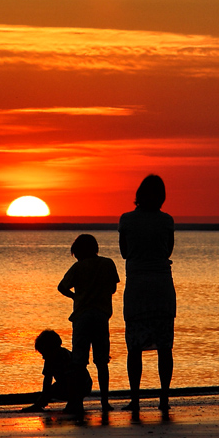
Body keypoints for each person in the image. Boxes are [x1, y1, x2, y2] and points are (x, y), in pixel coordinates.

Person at [118, 174, 176, 414]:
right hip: (162, 285)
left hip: (138, 286)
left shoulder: (127, 220)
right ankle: (163, 397)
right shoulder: (167, 221)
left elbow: (124, 252)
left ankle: (135, 398)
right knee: (165, 346)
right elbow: (168, 250)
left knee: (134, 346)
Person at [57, 234, 121, 413]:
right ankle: (105, 402)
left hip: (82, 317)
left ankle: (76, 402)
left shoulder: (78, 267)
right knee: (102, 362)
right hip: (101, 317)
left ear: (78, 252)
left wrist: (75, 296)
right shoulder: (108, 263)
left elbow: (62, 287)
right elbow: (113, 288)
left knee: (78, 362)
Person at [21, 329, 93, 414]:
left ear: (51, 348)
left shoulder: (65, 357)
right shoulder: (49, 359)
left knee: (71, 382)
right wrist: (44, 397)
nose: (43, 357)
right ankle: (41, 404)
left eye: (44, 353)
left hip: (83, 385)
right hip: (68, 384)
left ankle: (74, 403)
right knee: (52, 388)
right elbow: (47, 380)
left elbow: (72, 379)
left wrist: (72, 401)